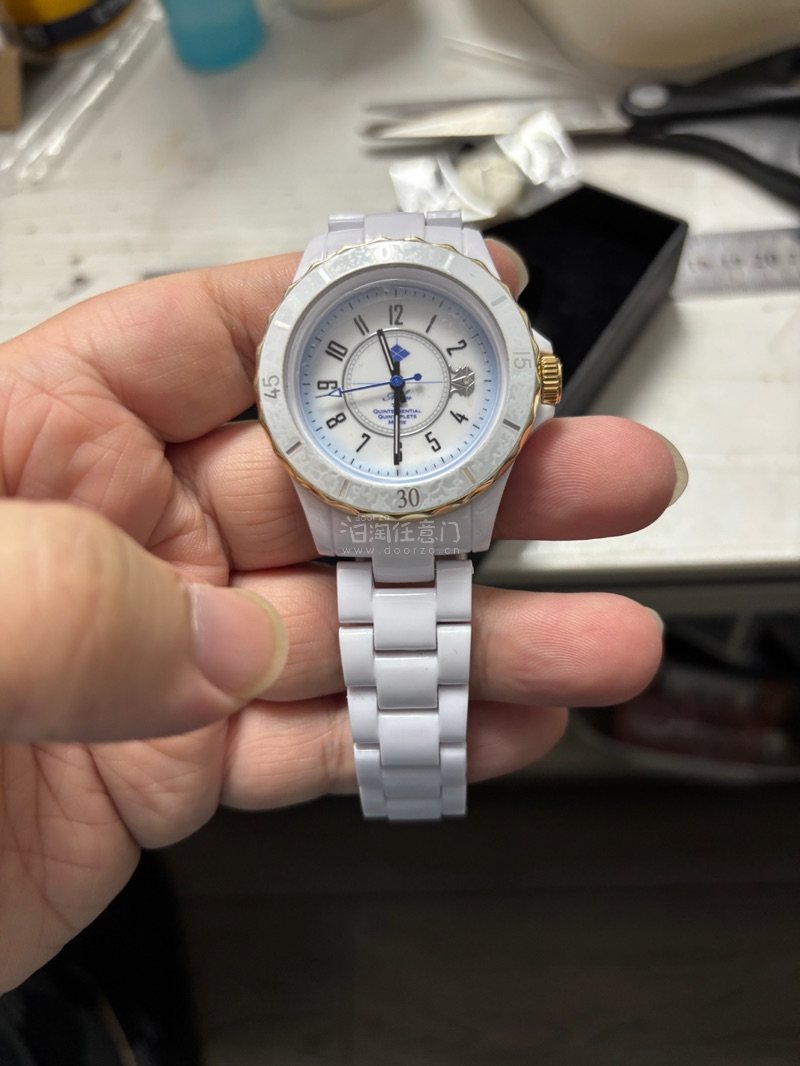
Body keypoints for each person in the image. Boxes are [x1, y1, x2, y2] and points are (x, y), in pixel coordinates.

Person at [0, 242, 686, 994]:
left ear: (531, 383)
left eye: (403, 377)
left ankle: (412, 779)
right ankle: (412, 780)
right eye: (390, 377)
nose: (396, 382)